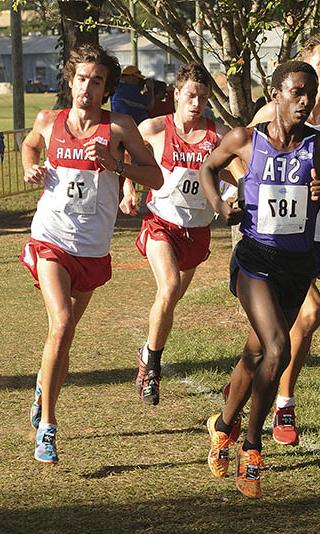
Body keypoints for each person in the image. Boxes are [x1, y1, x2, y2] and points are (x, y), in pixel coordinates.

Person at [199, 60, 320, 497]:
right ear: (275, 94)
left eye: (309, 93)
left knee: (255, 355)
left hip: (297, 266)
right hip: (254, 262)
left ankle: (223, 425)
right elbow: (207, 169)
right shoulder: (246, 140)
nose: (305, 101)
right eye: (296, 92)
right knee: (278, 348)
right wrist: (219, 206)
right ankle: (252, 449)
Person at [19, 44, 163, 463]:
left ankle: (44, 386)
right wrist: (32, 166)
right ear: (70, 80)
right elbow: (30, 147)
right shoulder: (49, 121)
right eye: (82, 78)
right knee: (61, 324)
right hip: (50, 238)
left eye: (96, 80)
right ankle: (48, 426)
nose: (87, 86)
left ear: (106, 88)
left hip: (92, 247)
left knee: (63, 338)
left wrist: (116, 167)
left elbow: (154, 174)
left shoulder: (118, 128)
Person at [236, 33, 320, 448]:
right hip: (267, 243)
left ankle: (243, 396)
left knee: (266, 341)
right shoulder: (268, 114)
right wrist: (239, 194)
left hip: (312, 240)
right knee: (305, 317)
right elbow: (242, 160)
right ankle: (282, 403)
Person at [119, 63, 230, 406]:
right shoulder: (153, 128)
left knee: (170, 301)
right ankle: (152, 368)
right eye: (191, 96)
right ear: (177, 94)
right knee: (167, 288)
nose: (197, 104)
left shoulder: (219, 136)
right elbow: (128, 152)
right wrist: (128, 186)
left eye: (204, 98)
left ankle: (146, 349)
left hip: (197, 231)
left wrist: (233, 196)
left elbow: (237, 174)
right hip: (160, 223)